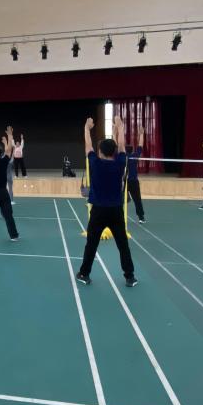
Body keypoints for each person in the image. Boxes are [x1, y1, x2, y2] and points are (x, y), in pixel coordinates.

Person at [76, 116, 137, 288]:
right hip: (116, 211)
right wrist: (120, 127)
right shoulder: (120, 163)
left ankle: (84, 274)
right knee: (123, 245)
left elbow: (88, 146)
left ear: (100, 152)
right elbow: (122, 146)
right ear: (114, 152)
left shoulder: (95, 163)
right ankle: (130, 277)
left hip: (98, 212)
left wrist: (86, 128)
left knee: (91, 244)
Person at [125, 128, 146, 224]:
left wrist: (115, 131)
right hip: (133, 182)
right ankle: (141, 217)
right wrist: (141, 134)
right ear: (132, 150)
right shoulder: (134, 156)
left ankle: (115, 217)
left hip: (124, 182)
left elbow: (116, 144)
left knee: (117, 199)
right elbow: (140, 145)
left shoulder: (122, 156)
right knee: (137, 200)